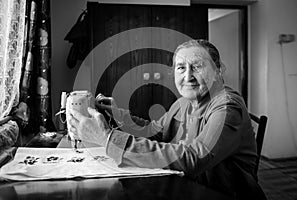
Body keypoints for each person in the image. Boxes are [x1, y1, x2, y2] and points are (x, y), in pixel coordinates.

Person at [69, 39, 266, 199]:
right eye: (181, 68)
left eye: (197, 66)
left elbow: (193, 159)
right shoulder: (183, 102)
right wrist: (117, 114)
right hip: (188, 187)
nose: (188, 76)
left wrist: (107, 139)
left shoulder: (227, 106)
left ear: (217, 70)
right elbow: (154, 130)